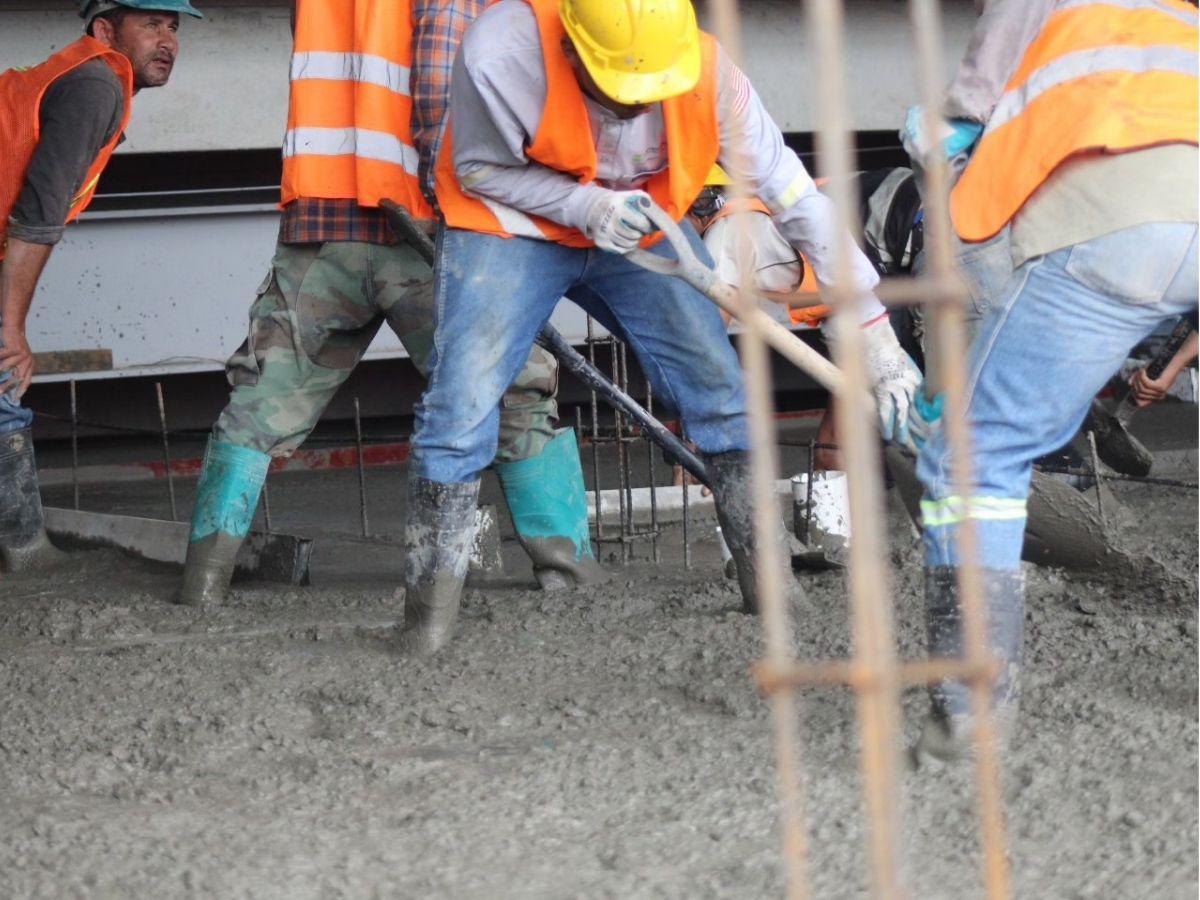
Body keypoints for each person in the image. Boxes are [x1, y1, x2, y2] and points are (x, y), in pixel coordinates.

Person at [398, 0, 922, 655]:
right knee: (460, 406)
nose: (634, 110)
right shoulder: (499, 53)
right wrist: (583, 204)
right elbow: (478, 169)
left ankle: (772, 595)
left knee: (722, 392)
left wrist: (873, 329)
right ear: (573, 50)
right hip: (511, 227)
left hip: (646, 232)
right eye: (617, 96)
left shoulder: (706, 71)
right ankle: (426, 628)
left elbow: (792, 194)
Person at [177, 0, 604, 607]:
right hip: (420, 222)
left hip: (323, 217)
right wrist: (456, 196)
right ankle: (568, 574)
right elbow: (437, 76)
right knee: (515, 391)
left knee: (261, 400)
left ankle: (204, 583)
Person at [908, 0, 1198, 763]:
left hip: (1119, 224)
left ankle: (966, 721)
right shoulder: (1179, 19)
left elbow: (969, 223)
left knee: (973, 459)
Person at [0, 0, 202, 573]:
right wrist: (12, 328)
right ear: (106, 30)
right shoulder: (97, 82)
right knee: (3, 379)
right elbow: (38, 216)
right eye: (152, 24)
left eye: (174, 27)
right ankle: (24, 549)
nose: (168, 41)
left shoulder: (84, 75)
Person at [695, 165, 925, 471]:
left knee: (843, 446)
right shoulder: (771, 202)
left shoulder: (724, 238)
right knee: (845, 441)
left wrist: (693, 451)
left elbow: (703, 359)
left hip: (908, 238)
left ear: (695, 205)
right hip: (899, 234)